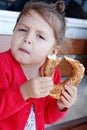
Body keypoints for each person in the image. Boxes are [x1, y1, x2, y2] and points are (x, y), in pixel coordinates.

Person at [0, 1, 77, 130]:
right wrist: (23, 92)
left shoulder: (52, 74)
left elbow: (47, 117)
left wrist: (60, 105)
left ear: (53, 51)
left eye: (40, 36)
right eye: (23, 30)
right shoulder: (2, 65)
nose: (27, 38)